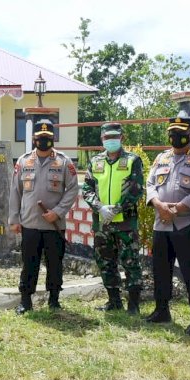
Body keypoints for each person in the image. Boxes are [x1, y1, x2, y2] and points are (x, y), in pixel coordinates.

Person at [144, 116, 190, 335]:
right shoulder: (161, 158)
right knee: (161, 269)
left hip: (186, 224)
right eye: (173, 132)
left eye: (181, 133)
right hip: (161, 224)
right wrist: (158, 204)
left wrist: (178, 208)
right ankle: (162, 310)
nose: (176, 137)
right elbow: (150, 183)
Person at [9, 119, 79, 314]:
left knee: (55, 264)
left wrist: (57, 212)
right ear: (34, 139)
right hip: (30, 224)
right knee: (29, 264)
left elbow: (73, 189)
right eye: (40, 138)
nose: (44, 141)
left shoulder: (64, 162)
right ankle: (26, 300)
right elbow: (15, 191)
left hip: (54, 225)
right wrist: (14, 219)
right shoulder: (23, 161)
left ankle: (54, 299)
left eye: (48, 138)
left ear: (53, 139)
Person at [82, 122, 145, 314]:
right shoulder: (95, 162)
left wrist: (116, 209)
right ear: (102, 139)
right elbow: (87, 189)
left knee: (131, 262)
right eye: (107, 138)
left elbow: (136, 190)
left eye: (114, 137)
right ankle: (114, 301)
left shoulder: (133, 160)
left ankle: (133, 305)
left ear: (122, 138)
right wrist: (100, 208)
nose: (111, 141)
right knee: (105, 262)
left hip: (125, 222)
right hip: (102, 223)